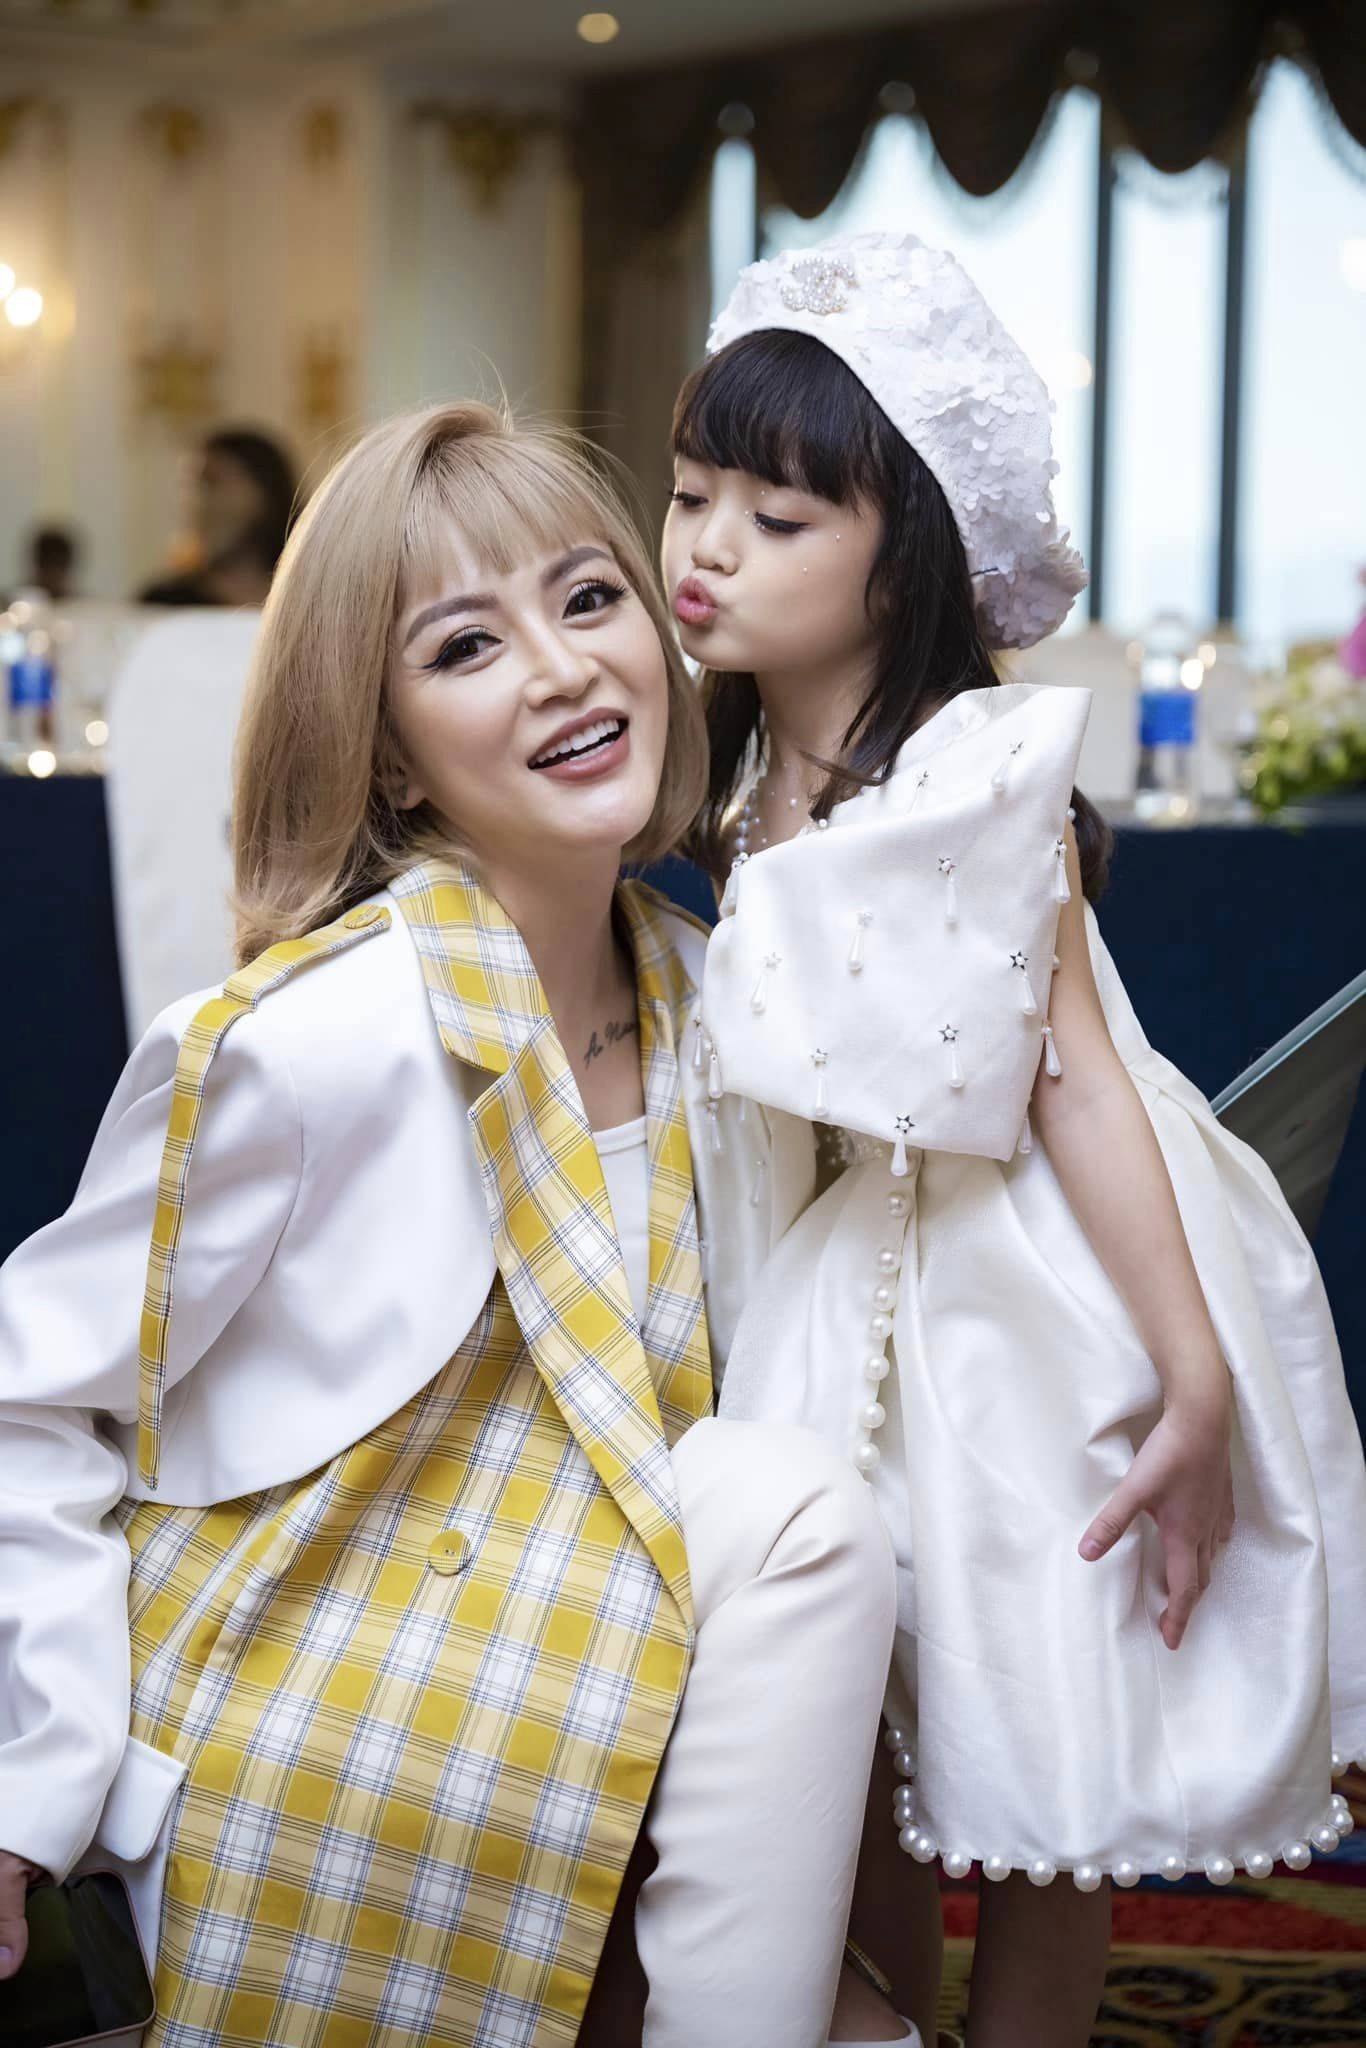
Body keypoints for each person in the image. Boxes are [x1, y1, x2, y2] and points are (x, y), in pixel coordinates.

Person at [0, 400, 898, 2048]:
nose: (561, 669)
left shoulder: (722, 1003)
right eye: (467, 644)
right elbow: (28, 1406)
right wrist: (32, 1775)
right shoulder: (303, 1044)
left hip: (622, 1656)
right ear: (390, 748)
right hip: (325, 1672)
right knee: (795, 1519)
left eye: (589, 598)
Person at [663, 232, 1366, 2047]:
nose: (707, 545)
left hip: (1026, 1284)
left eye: (775, 516)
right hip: (837, 1284)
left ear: (905, 558)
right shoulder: (733, 774)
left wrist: (1189, 1368)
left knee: (1043, 1737)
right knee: (847, 1738)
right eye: (689, 495)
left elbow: (1074, 1081)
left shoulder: (974, 768)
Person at [139, 427, 297, 608]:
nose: (198, 501)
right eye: (193, 486)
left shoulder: (302, 600)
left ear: (264, 492)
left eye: (212, 482)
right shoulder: (164, 603)